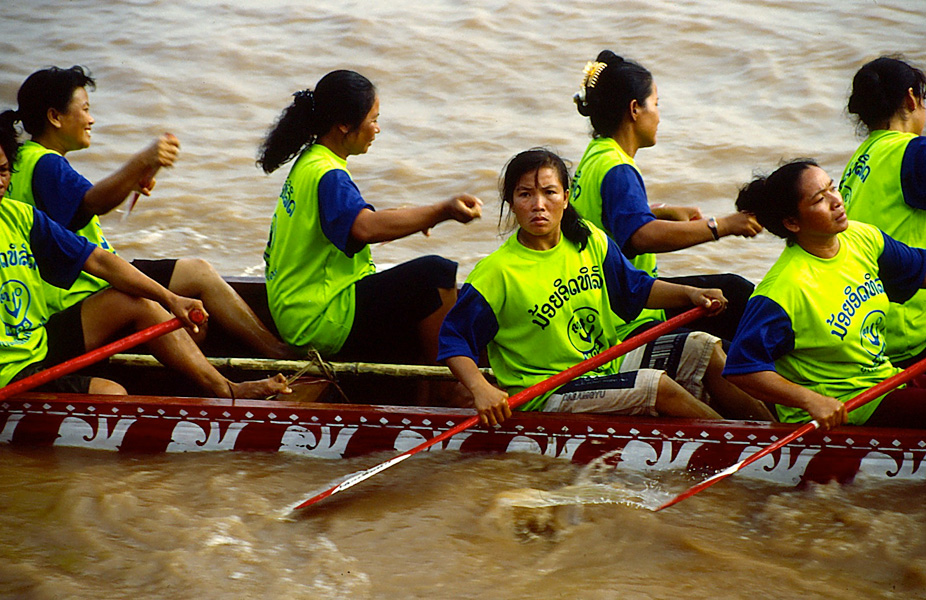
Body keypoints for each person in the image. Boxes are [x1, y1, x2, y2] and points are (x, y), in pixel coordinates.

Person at [437, 148, 773, 426]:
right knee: (654, 387)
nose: (538, 204)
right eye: (526, 194)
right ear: (511, 203)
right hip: (549, 393)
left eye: (549, 192)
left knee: (705, 347)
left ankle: (771, 434)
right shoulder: (496, 271)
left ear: (566, 198)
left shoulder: (589, 241)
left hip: (605, 365)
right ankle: (735, 445)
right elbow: (454, 339)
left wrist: (689, 295)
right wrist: (480, 388)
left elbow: (635, 289)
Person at [3, 65, 293, 359]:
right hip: (80, 292)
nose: (91, 119)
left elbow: (76, 210)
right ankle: (277, 354)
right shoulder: (48, 163)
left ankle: (271, 352)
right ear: (54, 117)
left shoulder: (21, 159)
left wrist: (132, 180)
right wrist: (142, 160)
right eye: (85, 109)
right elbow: (93, 203)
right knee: (198, 309)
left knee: (198, 271)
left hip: (80, 283)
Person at [257, 69, 482, 366]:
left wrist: (422, 219)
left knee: (417, 295)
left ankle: (425, 389)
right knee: (435, 273)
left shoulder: (310, 161)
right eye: (373, 120)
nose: (377, 129)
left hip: (295, 311)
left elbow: (354, 221)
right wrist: (442, 210)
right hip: (321, 319)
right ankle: (450, 387)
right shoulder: (330, 175)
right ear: (344, 124)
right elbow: (363, 228)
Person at [570, 50, 762, 343]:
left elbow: (605, 216)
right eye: (656, 105)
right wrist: (722, 226)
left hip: (605, 296)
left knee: (733, 289)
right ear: (635, 109)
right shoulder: (619, 168)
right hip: (628, 314)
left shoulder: (596, 155)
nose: (659, 116)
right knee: (741, 304)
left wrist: (661, 212)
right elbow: (642, 236)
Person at [724, 159, 926, 430]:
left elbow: (919, 268)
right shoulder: (784, 289)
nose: (836, 202)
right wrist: (810, 400)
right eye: (820, 199)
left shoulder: (861, 238)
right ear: (792, 222)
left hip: (886, 379)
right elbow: (743, 368)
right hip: (844, 405)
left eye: (833, 188)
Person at [839, 56, 926, 367]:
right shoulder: (914, 153)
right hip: (909, 332)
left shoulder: (860, 159)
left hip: (862, 322)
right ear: (911, 98)